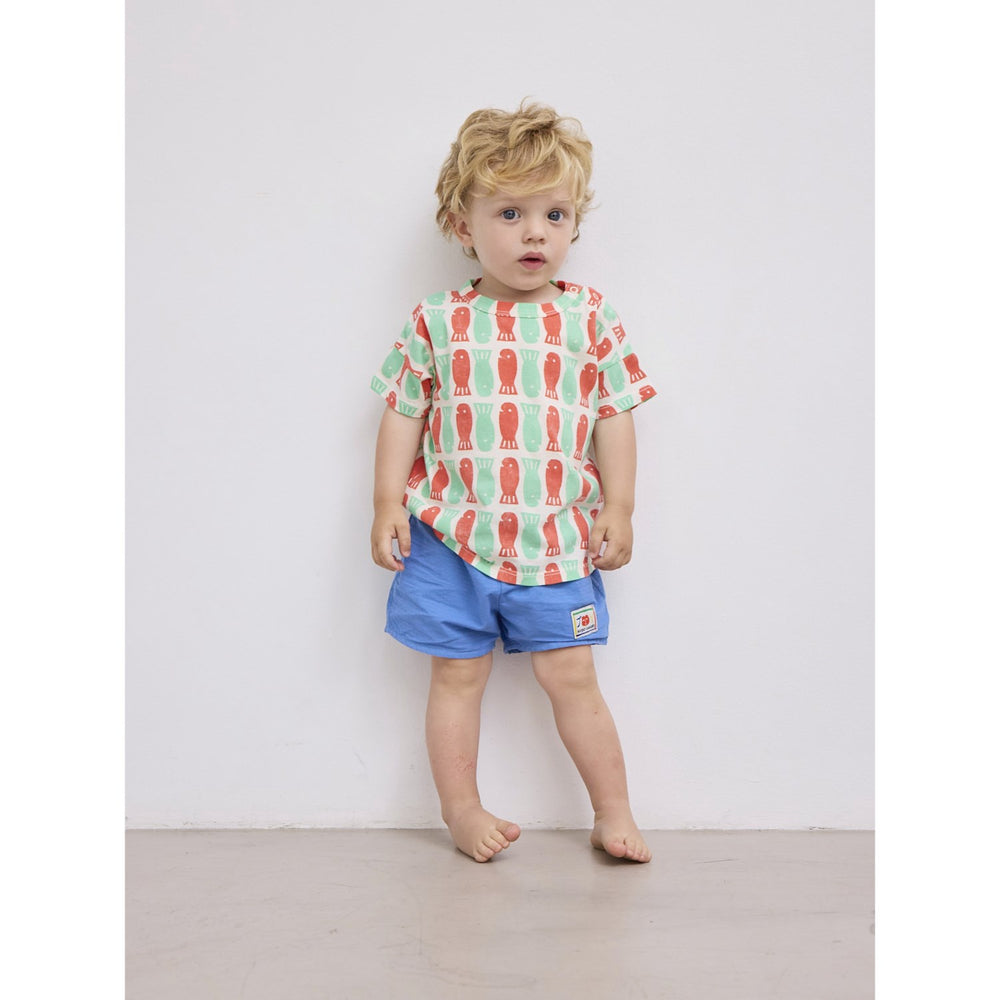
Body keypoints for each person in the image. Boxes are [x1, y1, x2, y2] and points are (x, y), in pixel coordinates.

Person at [369, 101, 656, 863]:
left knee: (573, 676)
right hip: (449, 539)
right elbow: (402, 411)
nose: (536, 233)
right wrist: (387, 502)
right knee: (456, 678)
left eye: (555, 215)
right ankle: (461, 810)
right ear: (462, 226)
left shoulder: (590, 318)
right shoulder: (437, 320)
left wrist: (620, 508)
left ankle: (613, 811)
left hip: (556, 542)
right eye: (510, 213)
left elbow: (615, 414)